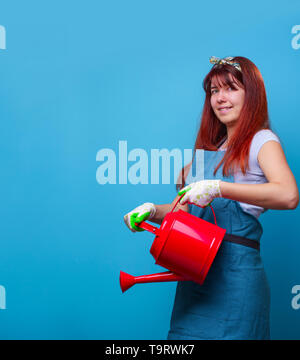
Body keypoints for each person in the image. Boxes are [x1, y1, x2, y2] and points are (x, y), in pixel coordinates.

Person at [123, 56, 299, 340]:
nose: (220, 98)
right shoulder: (210, 153)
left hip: (236, 281)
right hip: (194, 277)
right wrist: (152, 210)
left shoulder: (261, 141)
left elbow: (289, 195)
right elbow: (183, 214)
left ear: (251, 94)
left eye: (230, 88)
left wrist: (221, 188)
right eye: (214, 91)